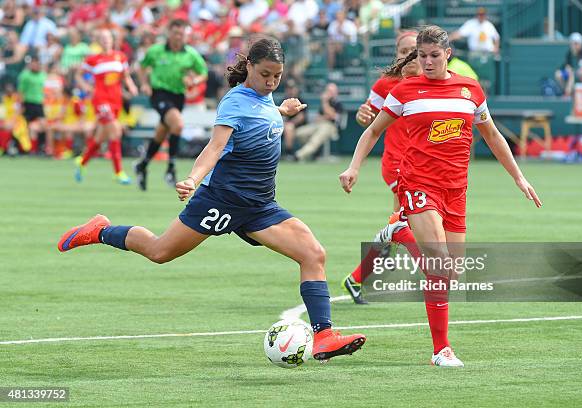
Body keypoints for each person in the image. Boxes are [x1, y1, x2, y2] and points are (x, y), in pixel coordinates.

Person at [57, 37, 366, 362]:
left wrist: (281, 110)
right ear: (249, 66)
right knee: (160, 251)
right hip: (222, 200)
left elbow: (257, 118)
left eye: (277, 76)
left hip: (260, 206)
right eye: (265, 75)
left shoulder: (265, 96)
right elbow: (215, 147)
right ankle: (101, 230)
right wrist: (193, 178)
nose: (271, 81)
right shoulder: (234, 101)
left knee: (313, 254)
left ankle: (325, 336)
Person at [339, 25, 541, 367]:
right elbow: (373, 131)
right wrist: (354, 167)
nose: (428, 62)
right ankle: (441, 350)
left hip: (456, 190)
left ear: (448, 55)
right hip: (418, 184)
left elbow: (492, 135)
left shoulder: (470, 90)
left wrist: (519, 176)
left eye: (434, 55)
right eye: (422, 56)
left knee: (453, 271)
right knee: (439, 266)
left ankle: (397, 232)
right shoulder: (405, 90)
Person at [342, 30, 421, 304]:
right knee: (410, 222)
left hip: (425, 168)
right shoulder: (388, 84)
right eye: (404, 51)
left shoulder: (433, 84)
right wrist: (363, 115)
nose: (410, 56)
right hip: (399, 165)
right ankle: (436, 273)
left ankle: (356, 278)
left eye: (415, 50)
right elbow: (368, 116)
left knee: (401, 225)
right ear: (397, 57)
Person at [134, 19, 208, 191]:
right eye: (175, 33)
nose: (178, 37)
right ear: (169, 33)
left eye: (182, 34)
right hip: (159, 93)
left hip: (178, 96)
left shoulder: (190, 54)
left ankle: (142, 165)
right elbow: (142, 68)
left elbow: (202, 72)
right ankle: (171, 168)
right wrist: (144, 83)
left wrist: (194, 80)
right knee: (178, 124)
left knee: (163, 131)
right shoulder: (156, 50)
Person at [74, 29, 138, 184]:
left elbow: (125, 76)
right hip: (101, 101)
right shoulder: (93, 59)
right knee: (115, 130)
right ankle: (118, 172)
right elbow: (78, 75)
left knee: (101, 137)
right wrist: (86, 87)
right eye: (102, 38)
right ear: (98, 41)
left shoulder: (120, 57)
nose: (105, 40)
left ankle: (82, 163)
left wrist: (132, 86)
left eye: (107, 38)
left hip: (116, 101)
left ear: (112, 39)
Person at [287, 83, 343, 161]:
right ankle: (314, 151)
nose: (328, 93)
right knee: (299, 133)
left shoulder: (337, 103)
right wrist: (325, 116)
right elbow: (318, 117)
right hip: (319, 124)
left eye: (331, 91)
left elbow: (332, 116)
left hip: (331, 126)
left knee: (316, 139)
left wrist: (325, 102)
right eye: (328, 90)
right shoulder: (324, 103)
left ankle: (298, 156)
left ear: (335, 92)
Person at [17, 56, 47, 155]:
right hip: (28, 103)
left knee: (43, 125)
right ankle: (29, 149)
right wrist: (21, 105)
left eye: (37, 63)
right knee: (26, 127)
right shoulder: (25, 75)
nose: (35, 65)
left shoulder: (43, 75)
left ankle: (41, 147)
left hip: (39, 104)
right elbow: (21, 91)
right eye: (33, 63)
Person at [555, 32, 582, 96]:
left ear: (580, 44)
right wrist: (566, 68)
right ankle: (567, 91)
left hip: (579, 74)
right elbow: (565, 65)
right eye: (572, 43)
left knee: (571, 74)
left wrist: (573, 70)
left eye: (576, 44)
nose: (574, 46)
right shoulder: (569, 54)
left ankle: (568, 93)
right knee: (558, 74)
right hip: (570, 73)